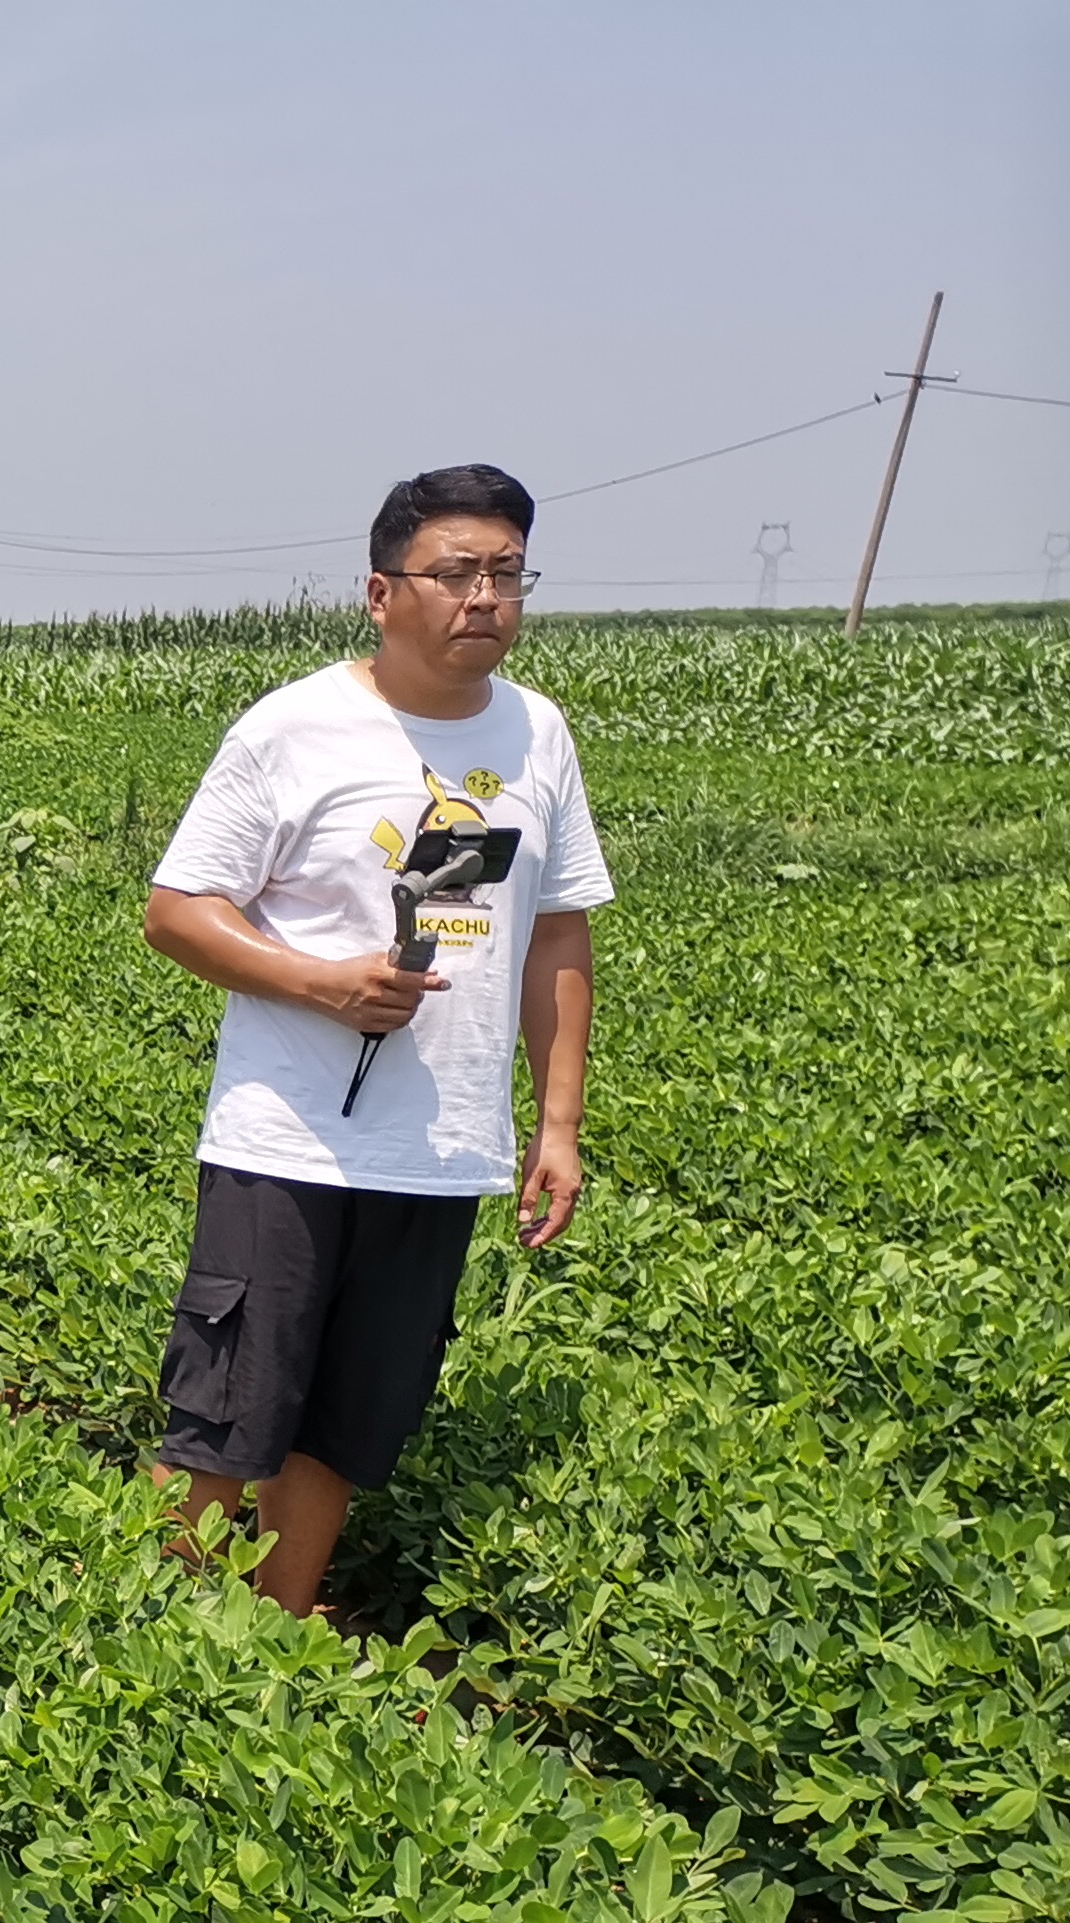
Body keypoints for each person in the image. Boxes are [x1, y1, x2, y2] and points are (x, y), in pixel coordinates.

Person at [139, 463, 613, 1614]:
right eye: (454, 573)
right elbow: (177, 911)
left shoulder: (537, 734)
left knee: (353, 1416)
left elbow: (555, 937)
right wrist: (318, 985)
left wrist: (558, 1123)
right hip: (285, 1139)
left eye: (506, 573)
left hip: (441, 1146)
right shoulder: (296, 727)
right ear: (380, 592)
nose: (483, 599)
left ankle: (276, 1635)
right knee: (227, 1406)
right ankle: (149, 1642)